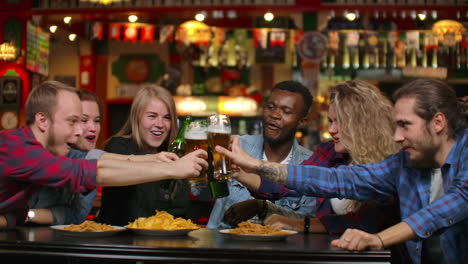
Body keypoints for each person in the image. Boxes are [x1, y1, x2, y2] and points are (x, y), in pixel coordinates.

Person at [216, 78, 467, 264]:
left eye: (405, 125)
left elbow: (445, 208)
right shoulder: (403, 163)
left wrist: (378, 239)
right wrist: (254, 166)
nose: (397, 136)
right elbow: (338, 179)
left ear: (438, 122)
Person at [0, 80, 208, 228]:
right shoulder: (19, 150)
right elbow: (90, 172)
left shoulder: (34, 151)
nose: (81, 131)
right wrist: (171, 169)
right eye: (73, 121)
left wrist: (155, 159)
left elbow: (93, 160)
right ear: (42, 121)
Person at [207, 80, 314, 229]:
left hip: (283, 250)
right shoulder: (236, 146)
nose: (275, 115)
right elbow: (201, 191)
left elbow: (307, 221)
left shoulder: (310, 165)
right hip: (226, 247)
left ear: (302, 122)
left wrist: (261, 207)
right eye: (270, 107)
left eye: (286, 111)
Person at [98, 85, 192, 226]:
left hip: (167, 242)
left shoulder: (174, 153)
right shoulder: (118, 147)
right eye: (152, 116)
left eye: (167, 117)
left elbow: (180, 212)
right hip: (122, 243)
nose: (160, 124)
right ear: (136, 117)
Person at [27, 90, 103, 225]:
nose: (93, 128)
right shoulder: (32, 149)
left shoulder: (90, 160)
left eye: (97, 121)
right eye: (83, 120)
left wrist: (27, 215)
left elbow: (76, 216)